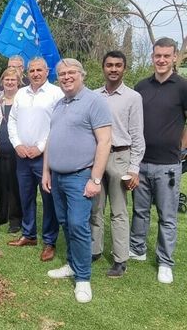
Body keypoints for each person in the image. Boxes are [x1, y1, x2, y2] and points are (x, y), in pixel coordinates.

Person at [42, 58, 111, 303]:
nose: (66, 77)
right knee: (65, 223)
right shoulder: (60, 104)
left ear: (82, 75)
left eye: (71, 72)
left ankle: (83, 278)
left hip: (81, 176)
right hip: (57, 176)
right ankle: (72, 264)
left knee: (78, 225)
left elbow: (104, 142)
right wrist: (46, 171)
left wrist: (95, 178)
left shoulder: (94, 102)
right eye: (62, 73)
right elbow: (52, 139)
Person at [129, 37, 187, 284]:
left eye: (166, 56)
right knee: (140, 211)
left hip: (168, 165)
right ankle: (137, 249)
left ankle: (165, 261)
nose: (161, 60)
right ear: (152, 57)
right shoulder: (141, 86)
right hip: (141, 162)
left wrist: (182, 147)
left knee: (167, 215)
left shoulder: (183, 86)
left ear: (175, 57)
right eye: (157, 55)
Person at [91, 51, 145, 278]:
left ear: (124, 68)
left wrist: (134, 168)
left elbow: (137, 134)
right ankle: (94, 250)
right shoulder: (94, 96)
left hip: (121, 157)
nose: (113, 69)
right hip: (97, 157)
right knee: (95, 208)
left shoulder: (133, 97)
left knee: (119, 210)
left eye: (118, 65)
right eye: (109, 65)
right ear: (103, 67)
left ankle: (120, 258)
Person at [8, 57, 64, 262]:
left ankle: (49, 241)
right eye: (32, 71)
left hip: (45, 157)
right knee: (26, 196)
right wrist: (17, 144)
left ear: (47, 71)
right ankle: (29, 234)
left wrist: (40, 147)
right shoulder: (21, 93)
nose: (35, 74)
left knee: (48, 198)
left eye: (39, 70)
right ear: (27, 73)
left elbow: (57, 124)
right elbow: (12, 120)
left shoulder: (55, 93)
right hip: (22, 155)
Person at [0, 68, 22, 233]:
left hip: (16, 148)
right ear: (2, 81)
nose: (9, 82)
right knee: (0, 183)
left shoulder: (23, 97)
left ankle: (15, 219)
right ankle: (1, 215)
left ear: (18, 82)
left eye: (13, 80)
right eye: (7, 79)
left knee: (14, 184)